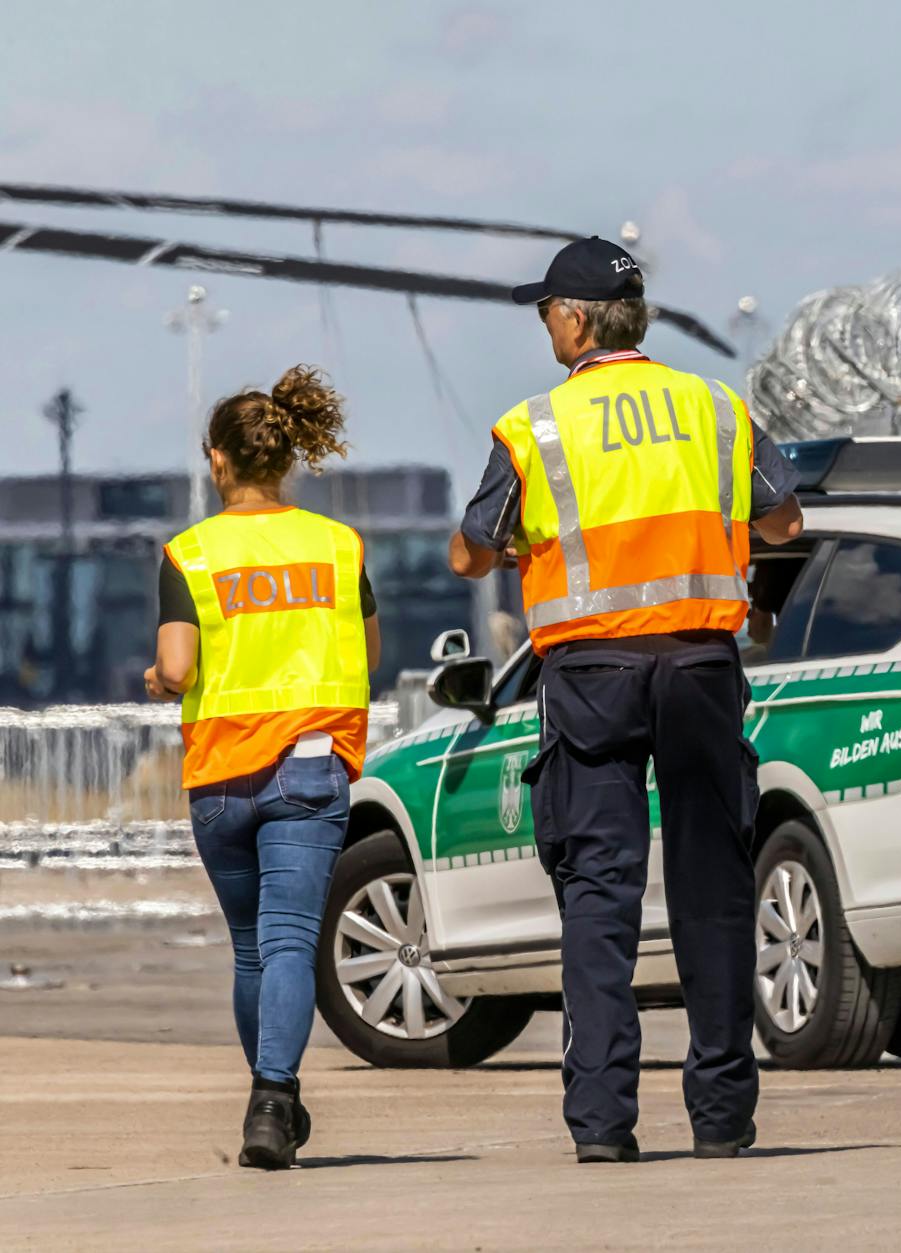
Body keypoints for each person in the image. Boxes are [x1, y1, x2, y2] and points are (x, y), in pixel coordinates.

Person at [449, 236, 803, 1164]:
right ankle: (723, 1116)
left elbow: (467, 551)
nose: (545, 328)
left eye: (547, 314)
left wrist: (523, 547)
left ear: (573, 321)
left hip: (591, 679)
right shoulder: (715, 407)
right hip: (697, 667)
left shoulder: (536, 426)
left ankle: (604, 1122)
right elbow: (784, 520)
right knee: (712, 890)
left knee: (599, 899)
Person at [144, 366, 381, 1170]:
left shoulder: (190, 552)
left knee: (251, 948)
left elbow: (177, 668)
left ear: (219, 462)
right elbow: (371, 649)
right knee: (288, 943)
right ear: (284, 456)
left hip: (220, 775)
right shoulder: (337, 546)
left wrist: (158, 678)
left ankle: (271, 1097)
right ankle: (273, 1101)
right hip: (311, 770)